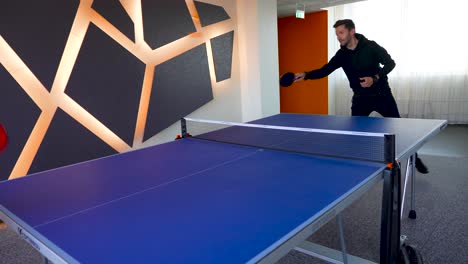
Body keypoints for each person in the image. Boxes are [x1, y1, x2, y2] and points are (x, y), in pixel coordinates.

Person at [293, 19, 428, 173]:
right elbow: (325, 70)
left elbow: (391, 63)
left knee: (399, 130)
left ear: (352, 31)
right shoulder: (342, 55)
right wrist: (305, 75)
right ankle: (357, 168)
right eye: (337, 34)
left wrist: (374, 78)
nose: (339, 37)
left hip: (382, 95)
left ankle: (414, 159)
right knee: (355, 134)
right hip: (360, 98)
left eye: (341, 33)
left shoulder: (371, 46)